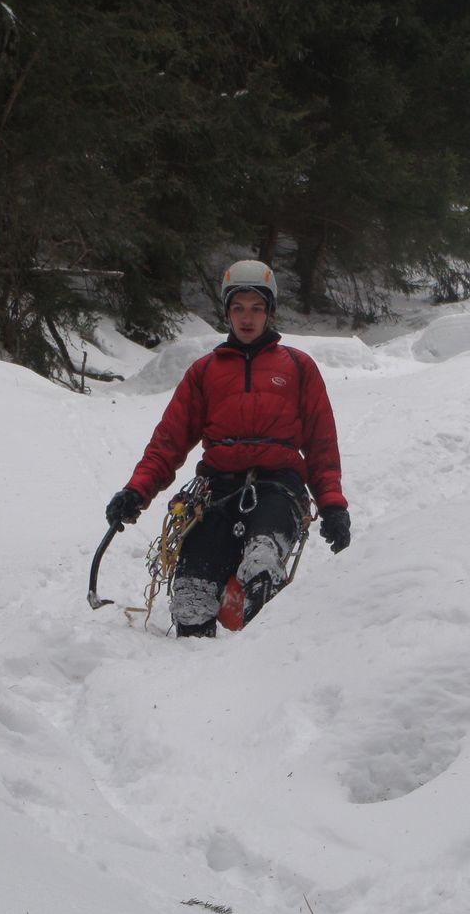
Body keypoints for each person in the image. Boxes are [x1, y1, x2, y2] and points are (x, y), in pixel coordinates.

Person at [105, 259, 351, 637]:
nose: (247, 318)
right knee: (191, 598)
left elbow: (321, 445)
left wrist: (332, 505)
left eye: (256, 308)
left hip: (279, 487)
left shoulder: (298, 367)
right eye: (238, 308)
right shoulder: (205, 372)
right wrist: (136, 491)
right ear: (227, 312)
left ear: (269, 311)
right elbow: (168, 442)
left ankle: (263, 659)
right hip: (217, 490)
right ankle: (192, 664)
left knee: (262, 565)